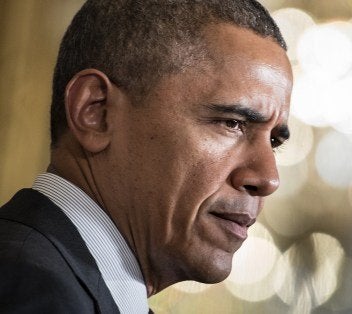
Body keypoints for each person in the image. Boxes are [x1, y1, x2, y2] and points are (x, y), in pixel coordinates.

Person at [0, 0, 292, 313]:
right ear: (96, 112)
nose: (268, 178)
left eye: (274, 141)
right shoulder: (29, 286)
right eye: (232, 123)